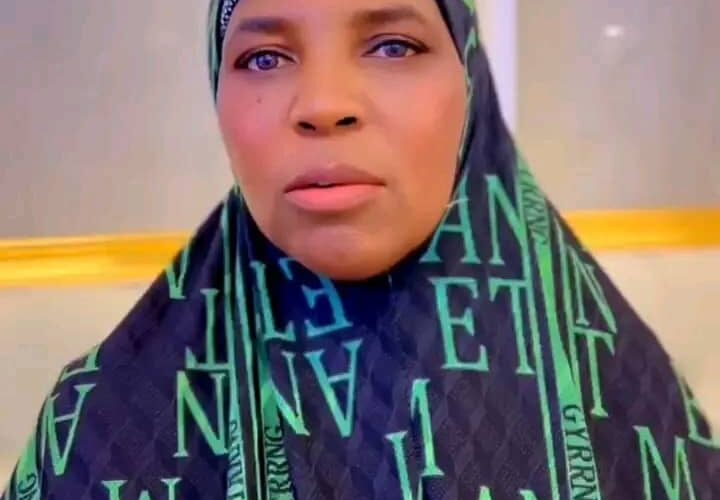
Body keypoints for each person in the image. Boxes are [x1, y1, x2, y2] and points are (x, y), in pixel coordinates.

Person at [3, 0, 719, 498]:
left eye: (393, 46)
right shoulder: (94, 433)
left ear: (470, 81)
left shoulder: (628, 411)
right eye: (264, 57)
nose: (323, 103)